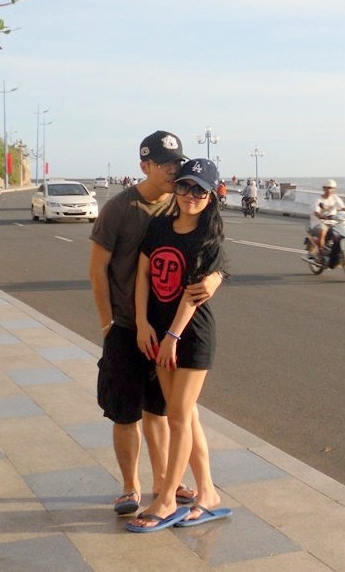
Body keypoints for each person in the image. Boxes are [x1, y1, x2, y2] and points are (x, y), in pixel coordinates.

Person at [89, 131, 222, 517]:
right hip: (127, 325)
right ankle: (130, 486)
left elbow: (209, 252)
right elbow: (97, 270)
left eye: (177, 163)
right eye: (164, 164)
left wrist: (216, 278)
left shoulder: (181, 204)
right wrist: (108, 325)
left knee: (162, 412)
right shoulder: (120, 208)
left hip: (166, 330)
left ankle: (167, 482)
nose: (173, 172)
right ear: (144, 166)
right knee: (125, 411)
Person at [126, 158, 232, 532]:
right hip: (158, 333)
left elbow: (192, 295)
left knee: (178, 417)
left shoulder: (208, 239)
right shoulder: (159, 227)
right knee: (185, 415)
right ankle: (208, 493)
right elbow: (143, 276)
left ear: (211, 196)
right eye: (185, 186)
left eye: (200, 190)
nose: (190, 195)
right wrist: (143, 323)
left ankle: (168, 498)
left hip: (191, 336)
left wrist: (172, 337)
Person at [309, 179, 345, 262]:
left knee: (343, 232)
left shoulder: (335, 198)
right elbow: (316, 212)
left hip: (332, 222)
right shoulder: (318, 199)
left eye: (331, 188)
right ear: (324, 188)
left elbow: (343, 208)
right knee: (323, 231)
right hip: (318, 223)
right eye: (327, 188)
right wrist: (322, 217)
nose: (329, 190)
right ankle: (320, 254)